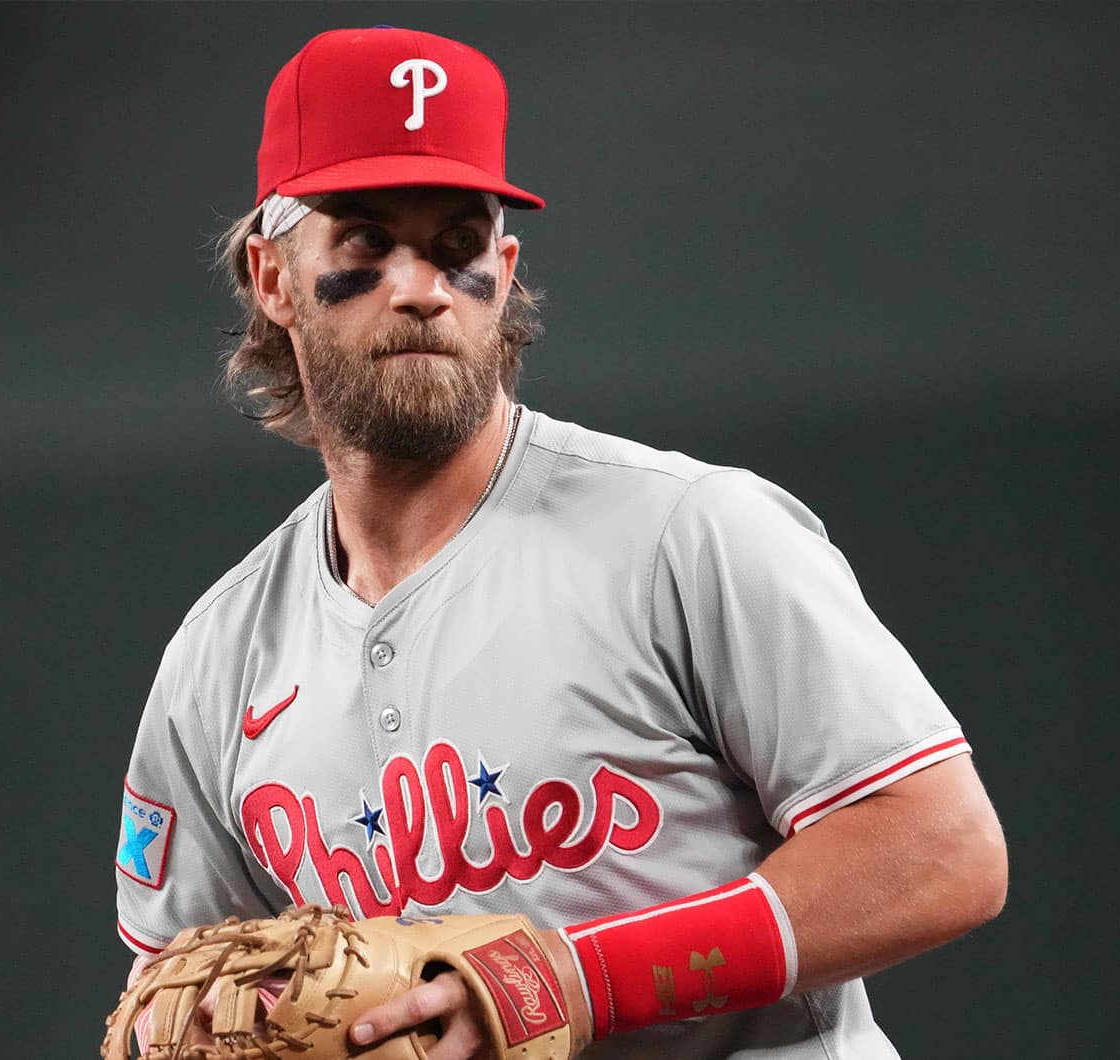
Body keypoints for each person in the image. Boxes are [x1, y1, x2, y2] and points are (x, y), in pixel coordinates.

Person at [113, 26, 1007, 1059]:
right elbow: (185, 989)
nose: (421, 286)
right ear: (272, 278)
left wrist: (575, 980)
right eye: (365, 241)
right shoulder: (217, 661)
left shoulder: (687, 533)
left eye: (458, 244)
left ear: (505, 266)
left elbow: (942, 849)